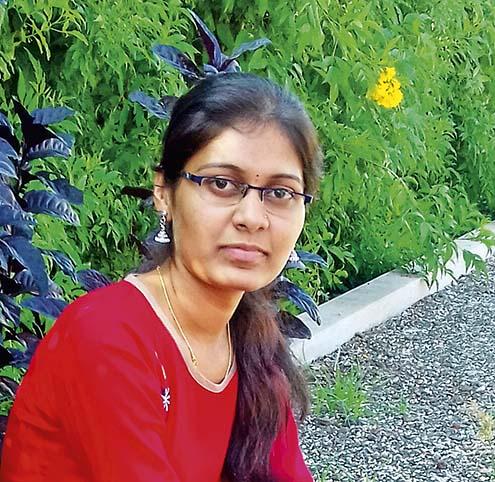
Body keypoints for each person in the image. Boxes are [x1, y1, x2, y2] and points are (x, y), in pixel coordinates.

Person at [0, 72, 323, 482]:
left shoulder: (249, 337)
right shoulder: (107, 336)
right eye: (221, 183)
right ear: (164, 193)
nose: (252, 218)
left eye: (280, 193)